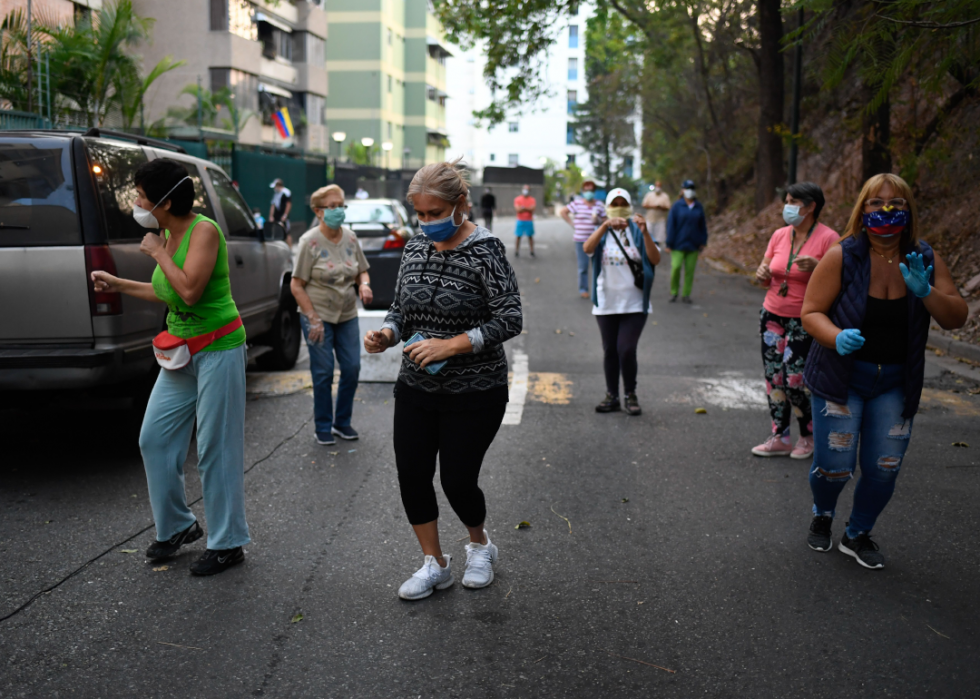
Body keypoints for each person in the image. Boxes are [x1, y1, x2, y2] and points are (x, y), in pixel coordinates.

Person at [363, 160, 522, 600]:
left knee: (456, 478)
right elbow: (400, 309)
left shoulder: (486, 250)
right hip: (416, 386)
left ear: (461, 205)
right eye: (421, 214)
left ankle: (480, 545)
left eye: (436, 213)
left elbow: (510, 318)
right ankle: (434, 563)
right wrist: (387, 334)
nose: (428, 222)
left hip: (477, 390)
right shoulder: (414, 247)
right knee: (412, 474)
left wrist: (450, 345)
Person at [90, 159, 250, 576]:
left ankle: (228, 542)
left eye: (142, 194)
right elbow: (168, 290)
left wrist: (159, 252)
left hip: (218, 348)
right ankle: (178, 526)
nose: (137, 201)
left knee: (216, 447)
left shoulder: (203, 232)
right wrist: (119, 283)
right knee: (154, 439)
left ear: (164, 199)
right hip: (180, 351)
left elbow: (190, 291)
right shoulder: (165, 233)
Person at [801, 173, 968, 569]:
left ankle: (857, 534)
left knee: (883, 468)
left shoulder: (924, 258)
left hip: (895, 383)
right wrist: (836, 336)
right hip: (841, 380)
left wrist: (927, 292)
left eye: (897, 203)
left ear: (910, 211)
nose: (887, 210)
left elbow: (956, 318)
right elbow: (811, 313)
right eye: (877, 203)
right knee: (834, 467)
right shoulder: (843, 255)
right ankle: (823, 512)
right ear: (863, 209)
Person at [752, 182, 840, 459]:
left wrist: (818, 267)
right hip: (771, 315)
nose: (787, 207)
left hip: (805, 319)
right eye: (786, 201)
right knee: (774, 378)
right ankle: (780, 435)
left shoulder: (829, 238)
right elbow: (765, 276)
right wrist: (762, 273)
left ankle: (808, 436)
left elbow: (842, 281)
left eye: (793, 202)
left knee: (795, 380)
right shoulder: (780, 235)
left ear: (811, 206)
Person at [290, 185, 372, 446]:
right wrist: (312, 318)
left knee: (351, 368)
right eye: (333, 206)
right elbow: (296, 284)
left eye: (342, 205)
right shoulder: (308, 242)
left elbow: (362, 269)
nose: (339, 210)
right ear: (318, 211)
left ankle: (342, 423)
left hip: (347, 312)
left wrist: (364, 284)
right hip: (318, 314)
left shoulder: (350, 237)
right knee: (324, 371)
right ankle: (323, 425)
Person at [583, 187, 661, 416]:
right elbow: (587, 248)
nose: (618, 207)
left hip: (635, 303)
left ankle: (630, 394)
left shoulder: (638, 230)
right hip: (606, 302)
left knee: (626, 349)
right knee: (610, 350)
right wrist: (605, 225)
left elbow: (655, 259)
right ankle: (612, 396)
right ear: (608, 207)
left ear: (629, 206)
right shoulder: (603, 230)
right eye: (614, 203)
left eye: (622, 202)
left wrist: (645, 232)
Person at [560, 179, 606, 298]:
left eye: (591, 190)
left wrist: (599, 221)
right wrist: (572, 224)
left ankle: (598, 289)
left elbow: (606, 220)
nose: (589, 192)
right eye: (586, 190)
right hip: (580, 240)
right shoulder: (577, 203)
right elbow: (563, 212)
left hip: (596, 241)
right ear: (583, 190)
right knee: (583, 267)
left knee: (597, 266)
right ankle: (583, 289)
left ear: (594, 191)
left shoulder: (599, 205)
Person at [665, 179, 708, 303]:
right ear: (682, 190)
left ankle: (686, 294)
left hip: (693, 244)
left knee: (690, 271)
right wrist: (669, 243)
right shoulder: (677, 206)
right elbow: (671, 226)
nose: (690, 191)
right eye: (687, 188)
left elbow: (702, 226)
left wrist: (703, 241)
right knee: (676, 268)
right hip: (678, 244)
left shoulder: (698, 206)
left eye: (692, 188)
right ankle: (674, 292)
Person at [641, 181, 671, 246]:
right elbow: (644, 205)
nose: (658, 188)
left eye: (659, 186)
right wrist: (653, 206)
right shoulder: (649, 195)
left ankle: (657, 251)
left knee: (659, 238)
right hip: (649, 219)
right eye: (657, 186)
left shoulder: (665, 196)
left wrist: (660, 207)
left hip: (660, 220)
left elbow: (668, 207)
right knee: (648, 237)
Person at [513, 184, 536, 258]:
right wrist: (527, 208)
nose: (525, 191)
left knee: (530, 236)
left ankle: (532, 251)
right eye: (524, 189)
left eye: (527, 189)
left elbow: (532, 209)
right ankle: (516, 251)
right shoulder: (517, 199)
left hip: (529, 220)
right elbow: (518, 210)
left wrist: (523, 208)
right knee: (518, 236)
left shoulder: (532, 199)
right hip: (520, 220)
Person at [269, 178, 292, 246]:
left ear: (278, 185)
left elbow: (288, 204)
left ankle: (290, 249)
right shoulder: (276, 193)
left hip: (283, 217)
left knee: (287, 233)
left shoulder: (286, 193)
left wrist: (285, 215)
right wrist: (271, 216)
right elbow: (273, 205)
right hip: (276, 217)